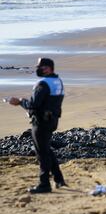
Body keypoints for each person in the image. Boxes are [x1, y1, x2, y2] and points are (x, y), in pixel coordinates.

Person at [8, 58, 66, 194]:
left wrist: (19, 102)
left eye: (41, 67)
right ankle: (59, 179)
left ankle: (44, 184)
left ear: (49, 68)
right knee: (46, 149)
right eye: (38, 67)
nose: (38, 69)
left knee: (42, 153)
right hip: (52, 120)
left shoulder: (43, 84)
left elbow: (33, 106)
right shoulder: (58, 82)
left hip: (41, 122)